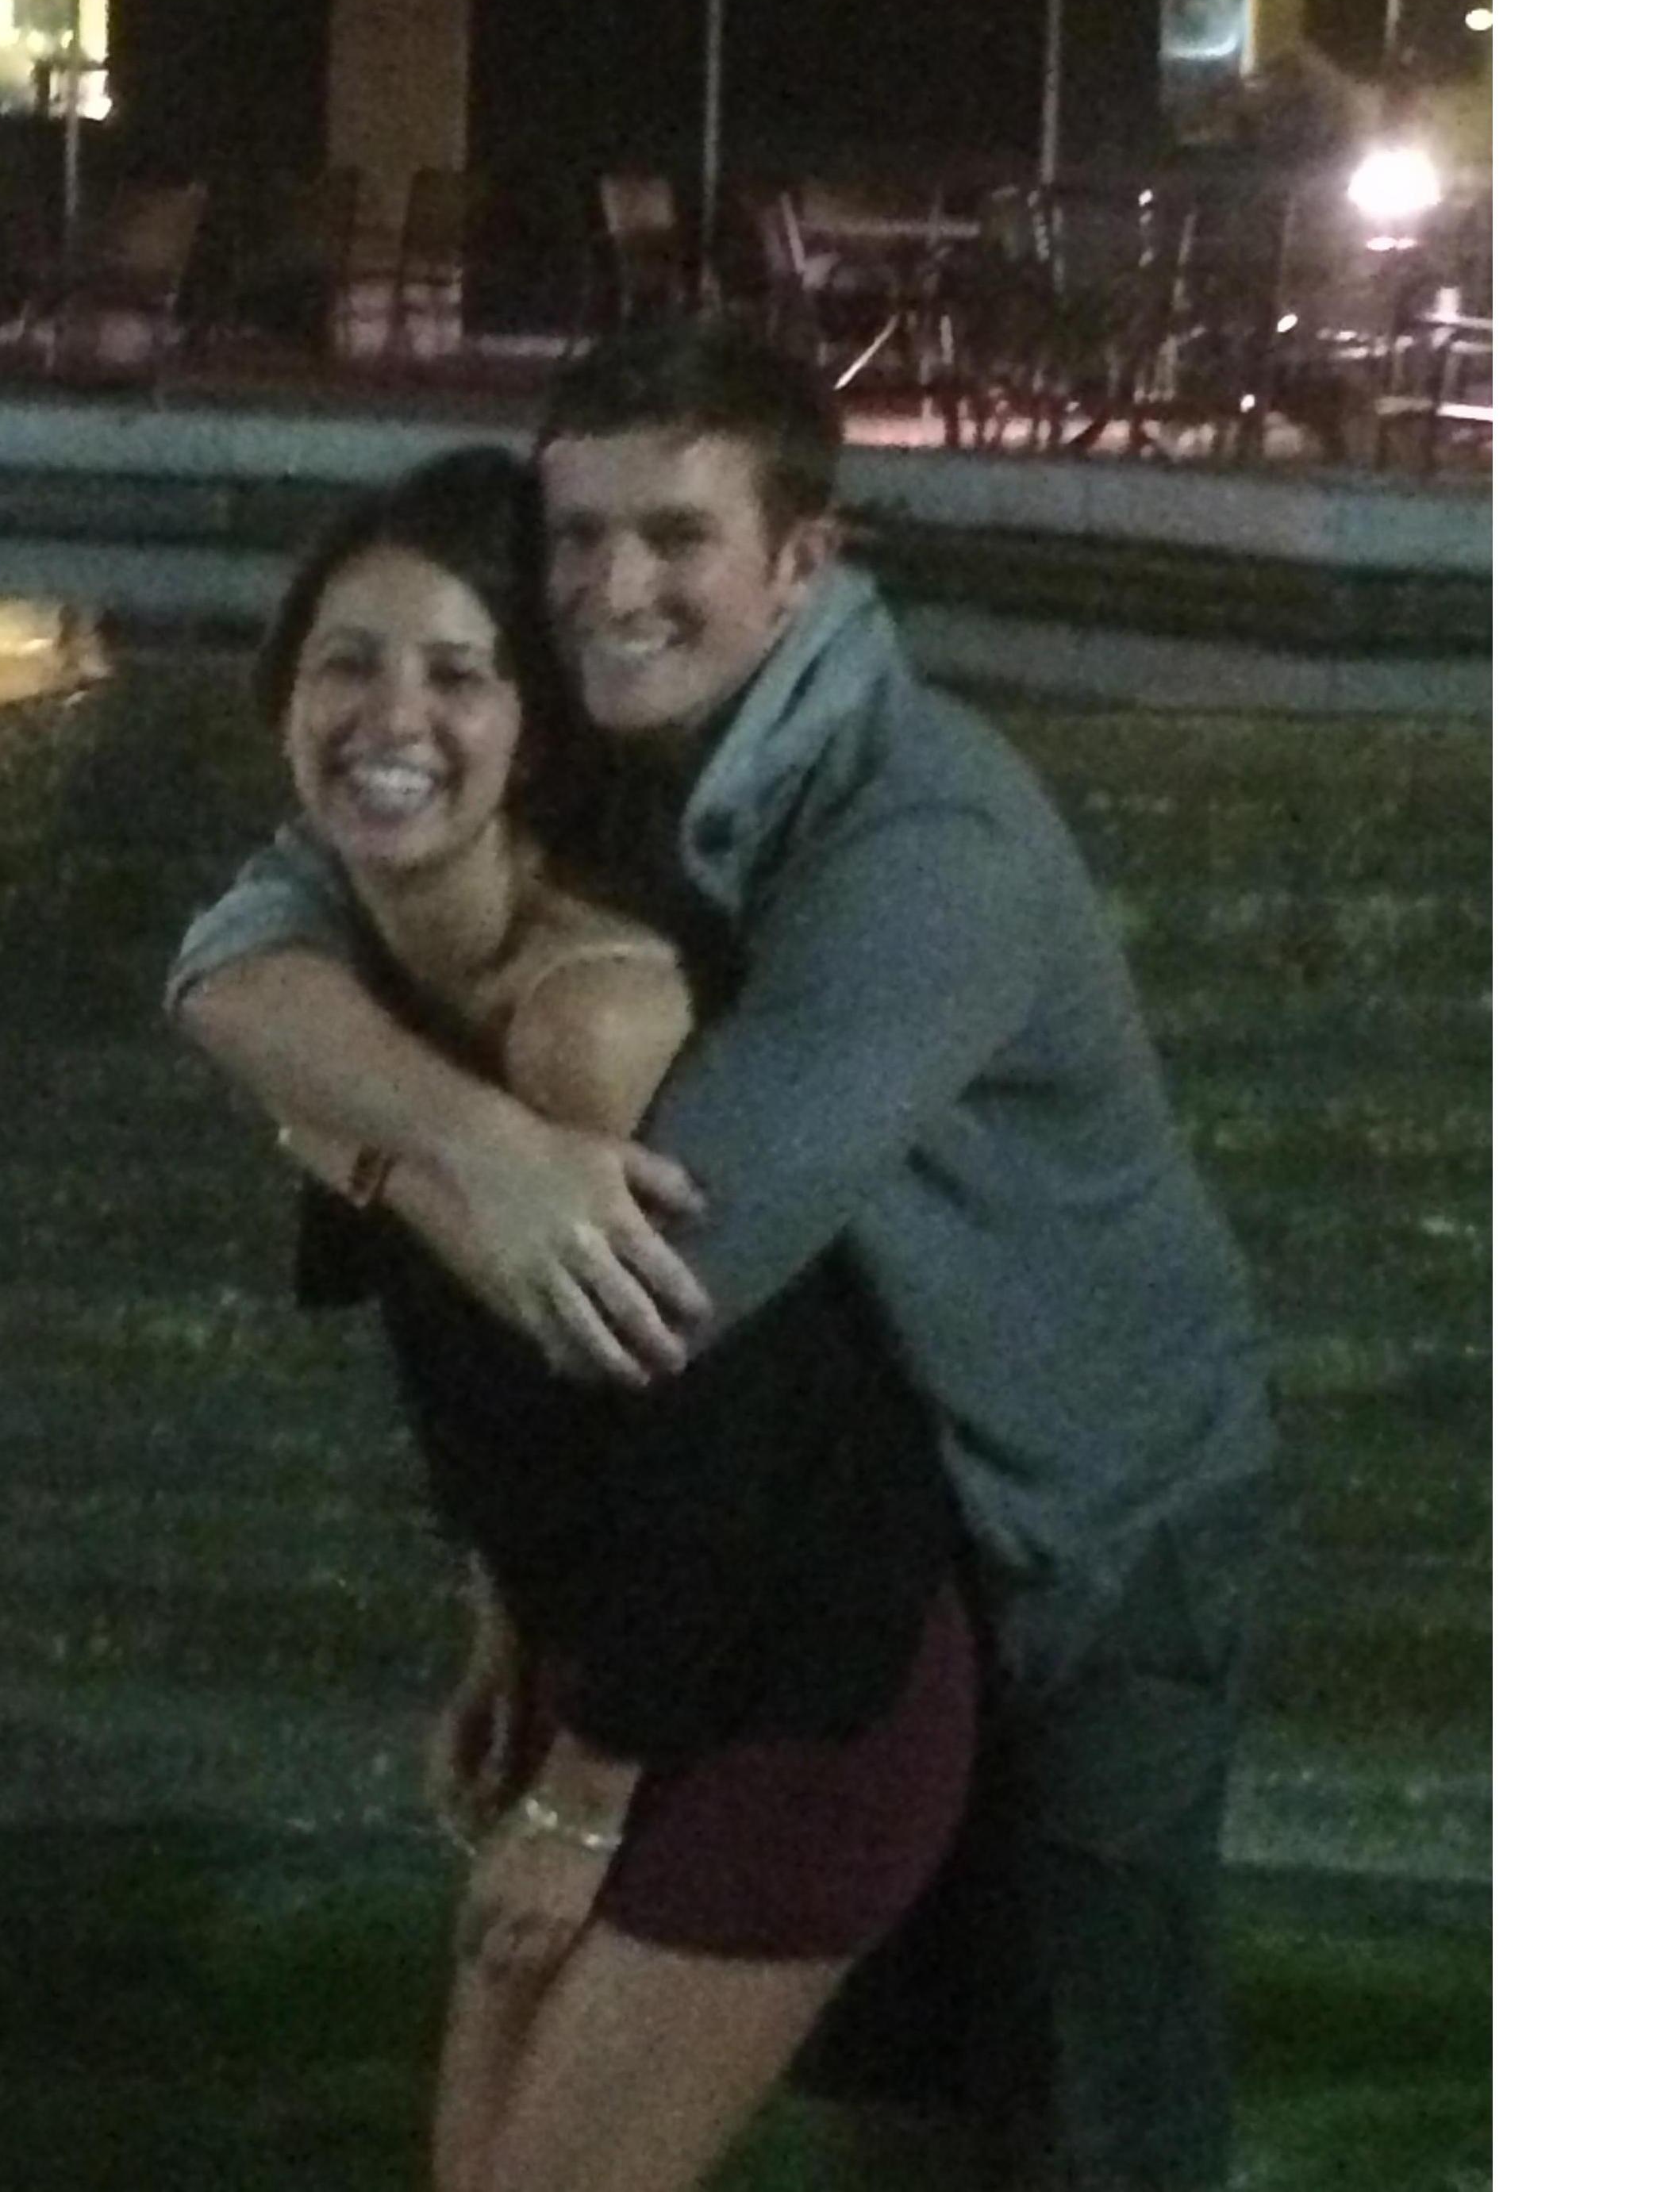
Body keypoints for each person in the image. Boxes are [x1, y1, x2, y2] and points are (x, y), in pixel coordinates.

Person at [170, 320, 1278, 2192]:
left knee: (1092, 2097)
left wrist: (359, 1142)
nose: (611, 586)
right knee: (910, 2095)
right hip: (843, 1526)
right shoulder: (598, 767)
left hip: (1096, 1518)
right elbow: (236, 944)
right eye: (577, 532)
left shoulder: (924, 841)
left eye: (674, 536)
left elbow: (657, 1278)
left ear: (800, 561)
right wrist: (443, 1132)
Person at [219, 446, 976, 2192]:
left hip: (795, 1671)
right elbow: (481, 1375)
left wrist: (585, 1790)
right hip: (617, 1640)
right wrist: (505, 1631)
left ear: (532, 732)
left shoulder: (590, 1020)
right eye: (347, 660)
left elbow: (716, 1430)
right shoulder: (365, 983)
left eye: (458, 672)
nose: (388, 714)